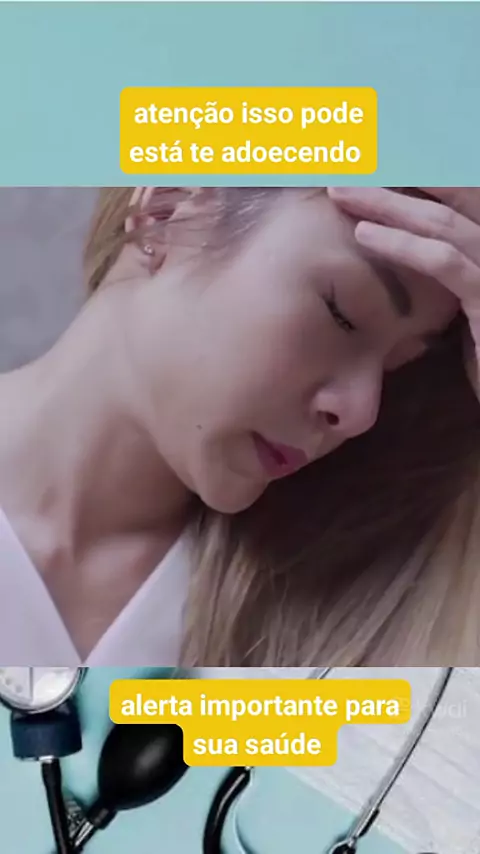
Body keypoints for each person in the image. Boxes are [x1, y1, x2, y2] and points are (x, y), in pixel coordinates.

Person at [0, 185, 479, 666]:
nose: (360, 412)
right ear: (164, 211)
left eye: (397, 365)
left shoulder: (339, 601)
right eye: (343, 315)